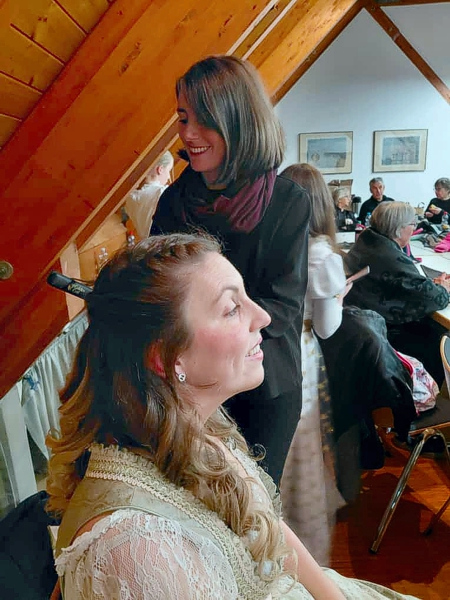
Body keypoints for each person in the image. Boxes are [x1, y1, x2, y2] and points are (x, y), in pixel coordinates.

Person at [46, 233, 418, 600]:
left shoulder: (198, 425)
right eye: (231, 309)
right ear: (166, 358)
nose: (263, 316)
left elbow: (268, 530)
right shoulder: (140, 552)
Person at [151, 55, 310, 485]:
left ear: (238, 119)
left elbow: (283, 308)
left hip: (264, 384)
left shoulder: (288, 201)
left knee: (255, 504)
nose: (188, 133)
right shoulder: (173, 202)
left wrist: (208, 326)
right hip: (196, 384)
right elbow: (159, 288)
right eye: (184, 118)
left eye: (203, 119)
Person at [278, 164, 350, 566]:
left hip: (271, 348)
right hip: (301, 350)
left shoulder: (273, 242)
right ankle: (305, 544)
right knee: (303, 439)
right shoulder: (321, 255)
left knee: (280, 441)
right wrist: (339, 297)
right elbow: (326, 327)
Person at [344, 201, 450, 384]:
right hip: (387, 336)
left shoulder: (368, 240)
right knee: (441, 333)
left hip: (362, 327)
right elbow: (436, 298)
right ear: (399, 229)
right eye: (413, 224)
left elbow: (407, 283)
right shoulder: (388, 256)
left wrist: (428, 284)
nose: (414, 229)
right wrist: (443, 287)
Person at [125, 151, 174, 239]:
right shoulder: (163, 193)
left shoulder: (129, 199)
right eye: (169, 171)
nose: (169, 177)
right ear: (160, 169)